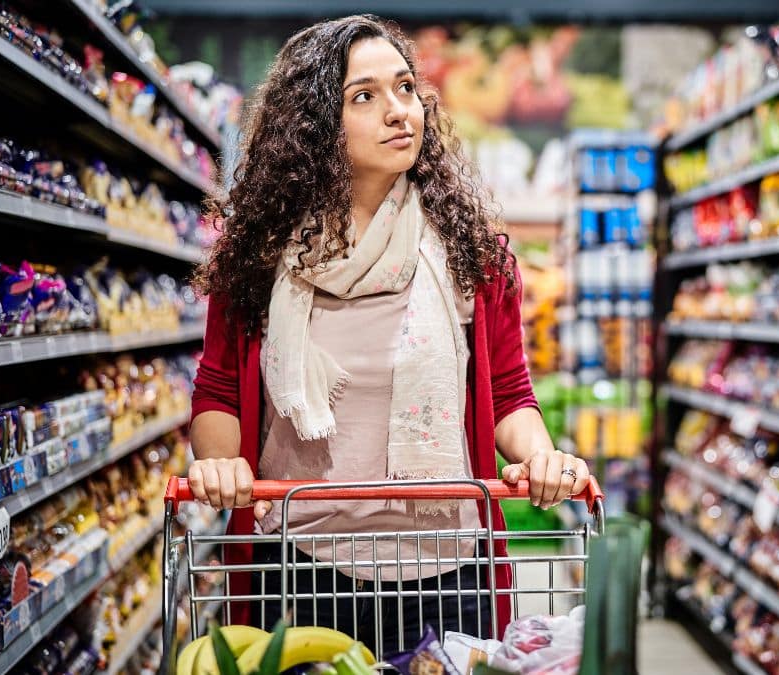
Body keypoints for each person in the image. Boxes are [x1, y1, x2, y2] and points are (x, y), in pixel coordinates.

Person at [186, 14, 590, 656]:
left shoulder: (470, 252)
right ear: (314, 123)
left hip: (447, 569)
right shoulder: (259, 258)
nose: (399, 111)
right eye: (364, 96)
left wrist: (538, 455)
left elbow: (508, 388)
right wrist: (220, 464)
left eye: (405, 89)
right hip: (301, 568)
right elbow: (216, 390)